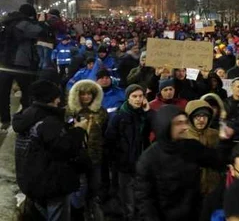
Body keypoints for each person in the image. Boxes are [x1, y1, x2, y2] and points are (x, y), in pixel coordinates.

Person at [14, 80, 90, 220]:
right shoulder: (48, 121)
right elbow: (66, 149)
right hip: (51, 185)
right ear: (52, 98)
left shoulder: (28, 115)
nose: (60, 100)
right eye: (57, 97)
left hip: (31, 181)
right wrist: (80, 130)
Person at [134, 105, 226, 221]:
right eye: (178, 123)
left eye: (185, 122)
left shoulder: (191, 147)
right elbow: (144, 199)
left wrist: (224, 141)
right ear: (165, 126)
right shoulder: (148, 159)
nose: (185, 127)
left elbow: (218, 161)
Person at [104, 84, 151, 220]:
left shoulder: (143, 115)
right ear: (128, 98)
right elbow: (109, 141)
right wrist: (118, 160)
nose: (138, 99)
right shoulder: (119, 117)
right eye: (134, 96)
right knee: (128, 201)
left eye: (140, 96)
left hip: (141, 163)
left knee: (140, 198)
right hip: (125, 165)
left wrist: (148, 112)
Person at [0, 4, 47, 131]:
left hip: (4, 62)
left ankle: (4, 119)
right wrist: (42, 22)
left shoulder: (5, 22)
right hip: (20, 63)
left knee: (3, 93)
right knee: (27, 92)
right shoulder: (23, 24)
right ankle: (26, 119)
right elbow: (41, 32)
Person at [67, 79, 108, 219]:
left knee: (95, 186)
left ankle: (92, 209)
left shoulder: (101, 111)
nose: (86, 97)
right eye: (83, 94)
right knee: (79, 190)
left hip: (95, 156)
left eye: (89, 94)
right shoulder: (70, 112)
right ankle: (78, 213)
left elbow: (105, 132)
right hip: (77, 158)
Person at [185, 100, 221, 195]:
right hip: (190, 189)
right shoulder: (183, 137)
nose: (201, 120)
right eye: (197, 116)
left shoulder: (215, 134)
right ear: (190, 118)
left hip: (212, 187)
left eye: (204, 116)